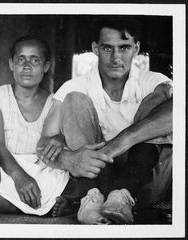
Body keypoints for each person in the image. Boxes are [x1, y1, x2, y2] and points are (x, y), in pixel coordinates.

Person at [37, 16, 172, 224]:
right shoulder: (76, 85)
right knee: (74, 100)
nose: (116, 57)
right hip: (95, 182)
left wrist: (120, 143)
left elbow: (179, 111)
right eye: (108, 48)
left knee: (161, 100)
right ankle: (92, 201)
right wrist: (69, 159)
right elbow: (43, 144)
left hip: (143, 182)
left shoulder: (151, 80)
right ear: (95, 48)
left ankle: (122, 194)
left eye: (124, 47)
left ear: (136, 48)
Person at [0, 36, 70, 216]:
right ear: (11, 64)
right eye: (21, 59)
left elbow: (56, 146)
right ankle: (41, 205)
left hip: (38, 171)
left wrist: (60, 138)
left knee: (60, 172)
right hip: (5, 166)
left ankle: (8, 203)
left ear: (46, 66)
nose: (27, 66)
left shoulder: (54, 102)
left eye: (35, 60)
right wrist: (19, 177)